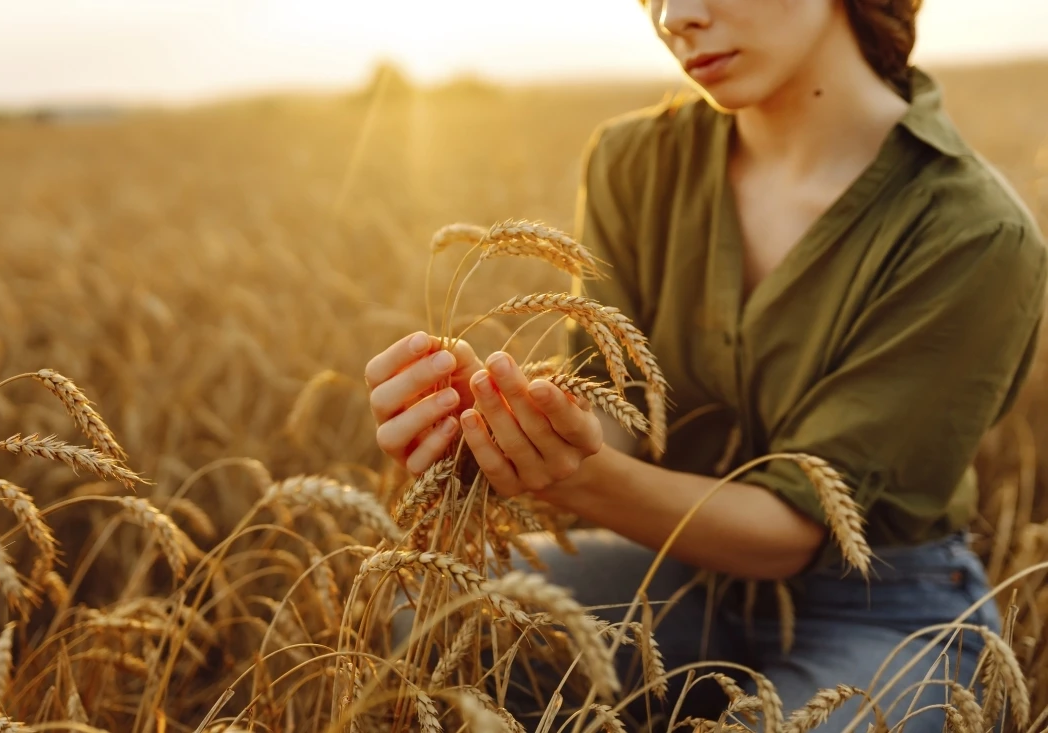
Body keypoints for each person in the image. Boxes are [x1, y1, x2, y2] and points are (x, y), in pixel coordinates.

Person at [365, 0, 1047, 729]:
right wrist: (505, 422)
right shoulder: (634, 160)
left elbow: (792, 531)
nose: (675, 16)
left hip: (879, 607)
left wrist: (575, 476)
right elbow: (616, 410)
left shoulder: (974, 232)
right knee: (435, 607)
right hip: (673, 570)